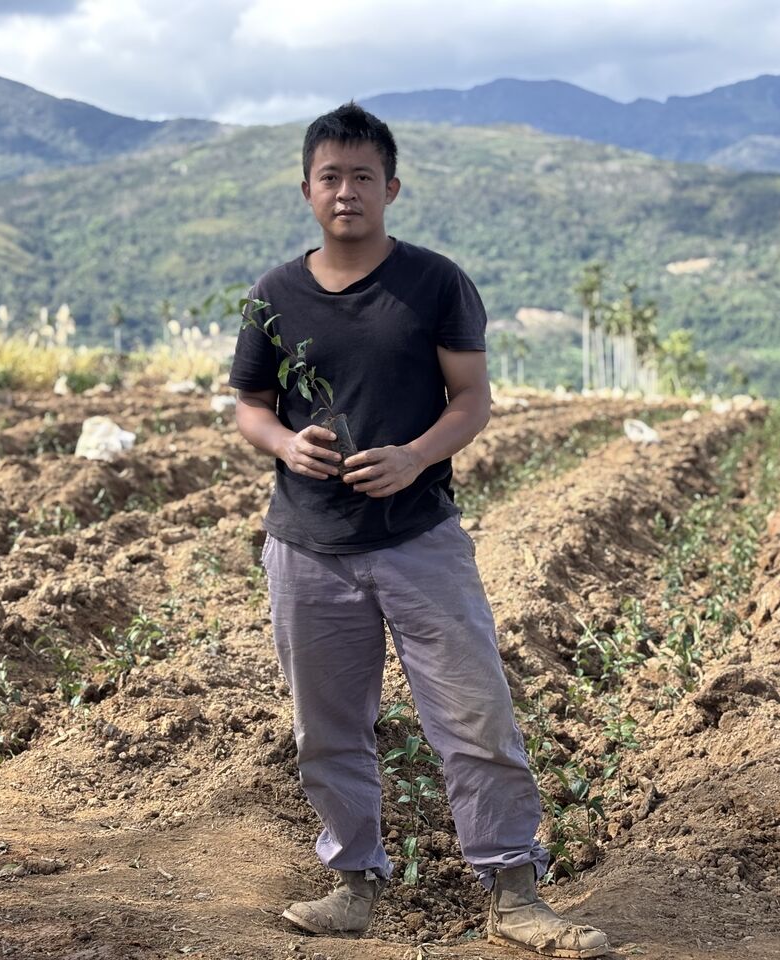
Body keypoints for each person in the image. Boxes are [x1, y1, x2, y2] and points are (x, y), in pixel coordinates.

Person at [228, 102, 609, 959]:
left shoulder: (435, 283)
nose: (347, 191)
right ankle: (351, 884)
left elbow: (472, 399)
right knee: (326, 726)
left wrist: (411, 457)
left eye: (364, 176)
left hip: (418, 538)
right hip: (308, 545)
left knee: (474, 716)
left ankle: (513, 891)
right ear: (306, 191)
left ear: (391, 187)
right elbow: (250, 407)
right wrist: (288, 443)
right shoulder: (274, 297)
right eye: (331, 176)